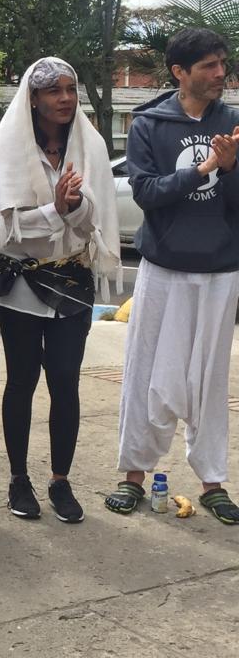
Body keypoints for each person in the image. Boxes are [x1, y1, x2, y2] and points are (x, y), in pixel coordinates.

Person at [0, 58, 120, 524]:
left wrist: (72, 209)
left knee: (65, 381)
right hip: (19, 283)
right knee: (21, 381)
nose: (65, 99)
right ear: (33, 98)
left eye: (71, 89)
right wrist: (54, 212)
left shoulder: (88, 145)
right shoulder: (8, 148)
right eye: (54, 91)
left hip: (73, 280)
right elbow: (1, 227)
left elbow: (95, 221)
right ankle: (19, 478)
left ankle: (60, 480)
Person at [104, 28, 239, 525]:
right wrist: (206, 167)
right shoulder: (149, 125)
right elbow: (147, 194)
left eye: (222, 63)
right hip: (163, 267)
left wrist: (229, 171)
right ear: (180, 72)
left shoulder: (236, 123)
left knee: (209, 376)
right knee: (145, 371)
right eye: (208, 65)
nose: (220, 73)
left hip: (222, 270)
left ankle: (213, 481)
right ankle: (133, 475)